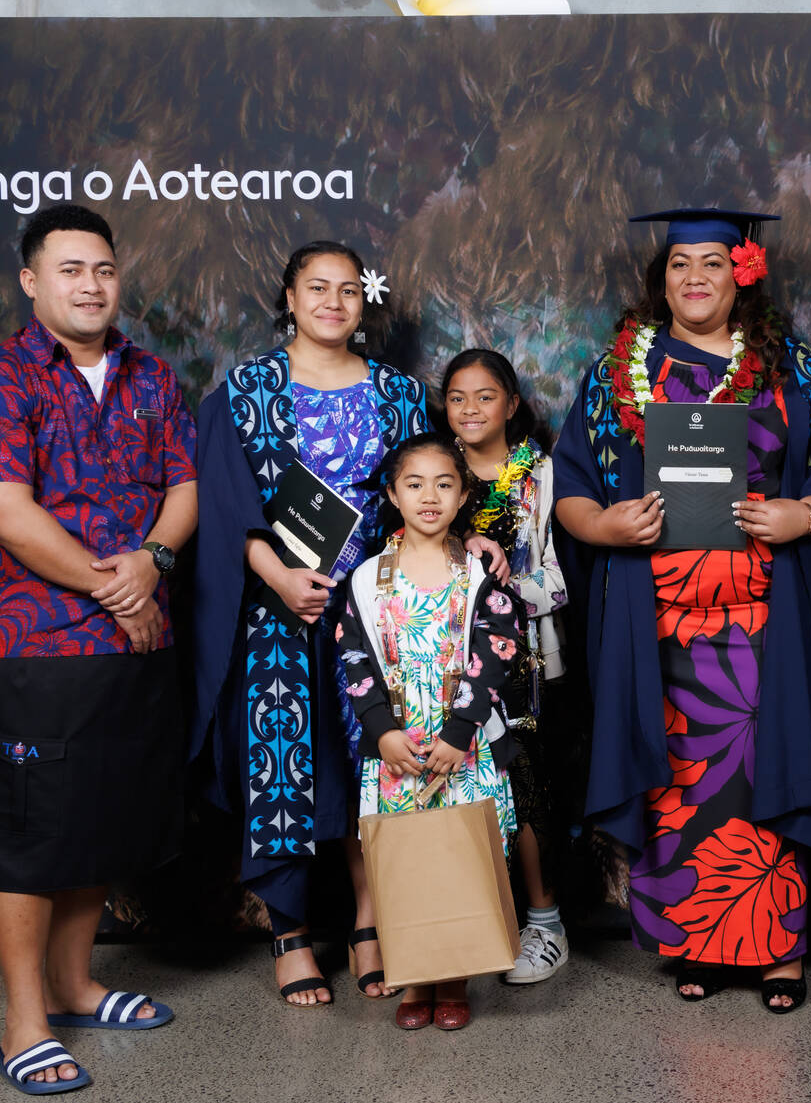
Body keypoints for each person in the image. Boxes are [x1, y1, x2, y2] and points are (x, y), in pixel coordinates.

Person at [554, 207, 811, 1013]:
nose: (694, 277)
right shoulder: (619, 372)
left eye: (713, 263)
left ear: (742, 274)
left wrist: (804, 516)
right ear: (663, 279)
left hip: (762, 622)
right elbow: (574, 488)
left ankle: (777, 948)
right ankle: (695, 941)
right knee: (678, 783)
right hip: (657, 627)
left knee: (767, 772)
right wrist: (606, 525)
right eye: (680, 263)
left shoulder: (794, 371)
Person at [190, 241, 494, 1007]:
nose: (333, 301)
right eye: (316, 287)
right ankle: (290, 932)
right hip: (280, 606)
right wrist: (280, 579)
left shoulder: (398, 393)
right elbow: (226, 502)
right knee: (285, 756)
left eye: (349, 290)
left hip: (384, 608)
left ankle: (372, 918)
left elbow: (430, 483)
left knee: (378, 751)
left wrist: (471, 539)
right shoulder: (247, 392)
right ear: (288, 297)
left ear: (365, 303)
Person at [0, 203, 196, 1093]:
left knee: (100, 814)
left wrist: (153, 561)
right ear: (31, 280)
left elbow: (183, 489)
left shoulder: (153, 376)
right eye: (70, 269)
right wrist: (113, 583)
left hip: (136, 640)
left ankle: (76, 982)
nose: (90, 285)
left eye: (103, 269)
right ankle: (22, 1023)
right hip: (37, 641)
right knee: (29, 831)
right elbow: (6, 512)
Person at [335, 433, 525, 1030]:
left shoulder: (476, 576)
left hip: (458, 744)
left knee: (459, 856)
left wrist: (461, 730)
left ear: (464, 494)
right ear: (392, 494)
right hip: (398, 746)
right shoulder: (367, 580)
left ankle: (454, 977)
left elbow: (495, 651)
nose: (429, 497)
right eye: (414, 485)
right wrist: (382, 732)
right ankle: (415, 977)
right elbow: (355, 659)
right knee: (406, 861)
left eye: (445, 485)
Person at [443, 348, 572, 984]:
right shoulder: (434, 471)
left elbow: (560, 578)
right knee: (456, 791)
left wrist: (506, 587)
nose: (470, 409)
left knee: (527, 790)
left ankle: (545, 926)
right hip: (439, 663)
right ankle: (459, 928)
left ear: (512, 405)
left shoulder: (539, 475)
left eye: (485, 396)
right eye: (457, 398)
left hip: (520, 665)